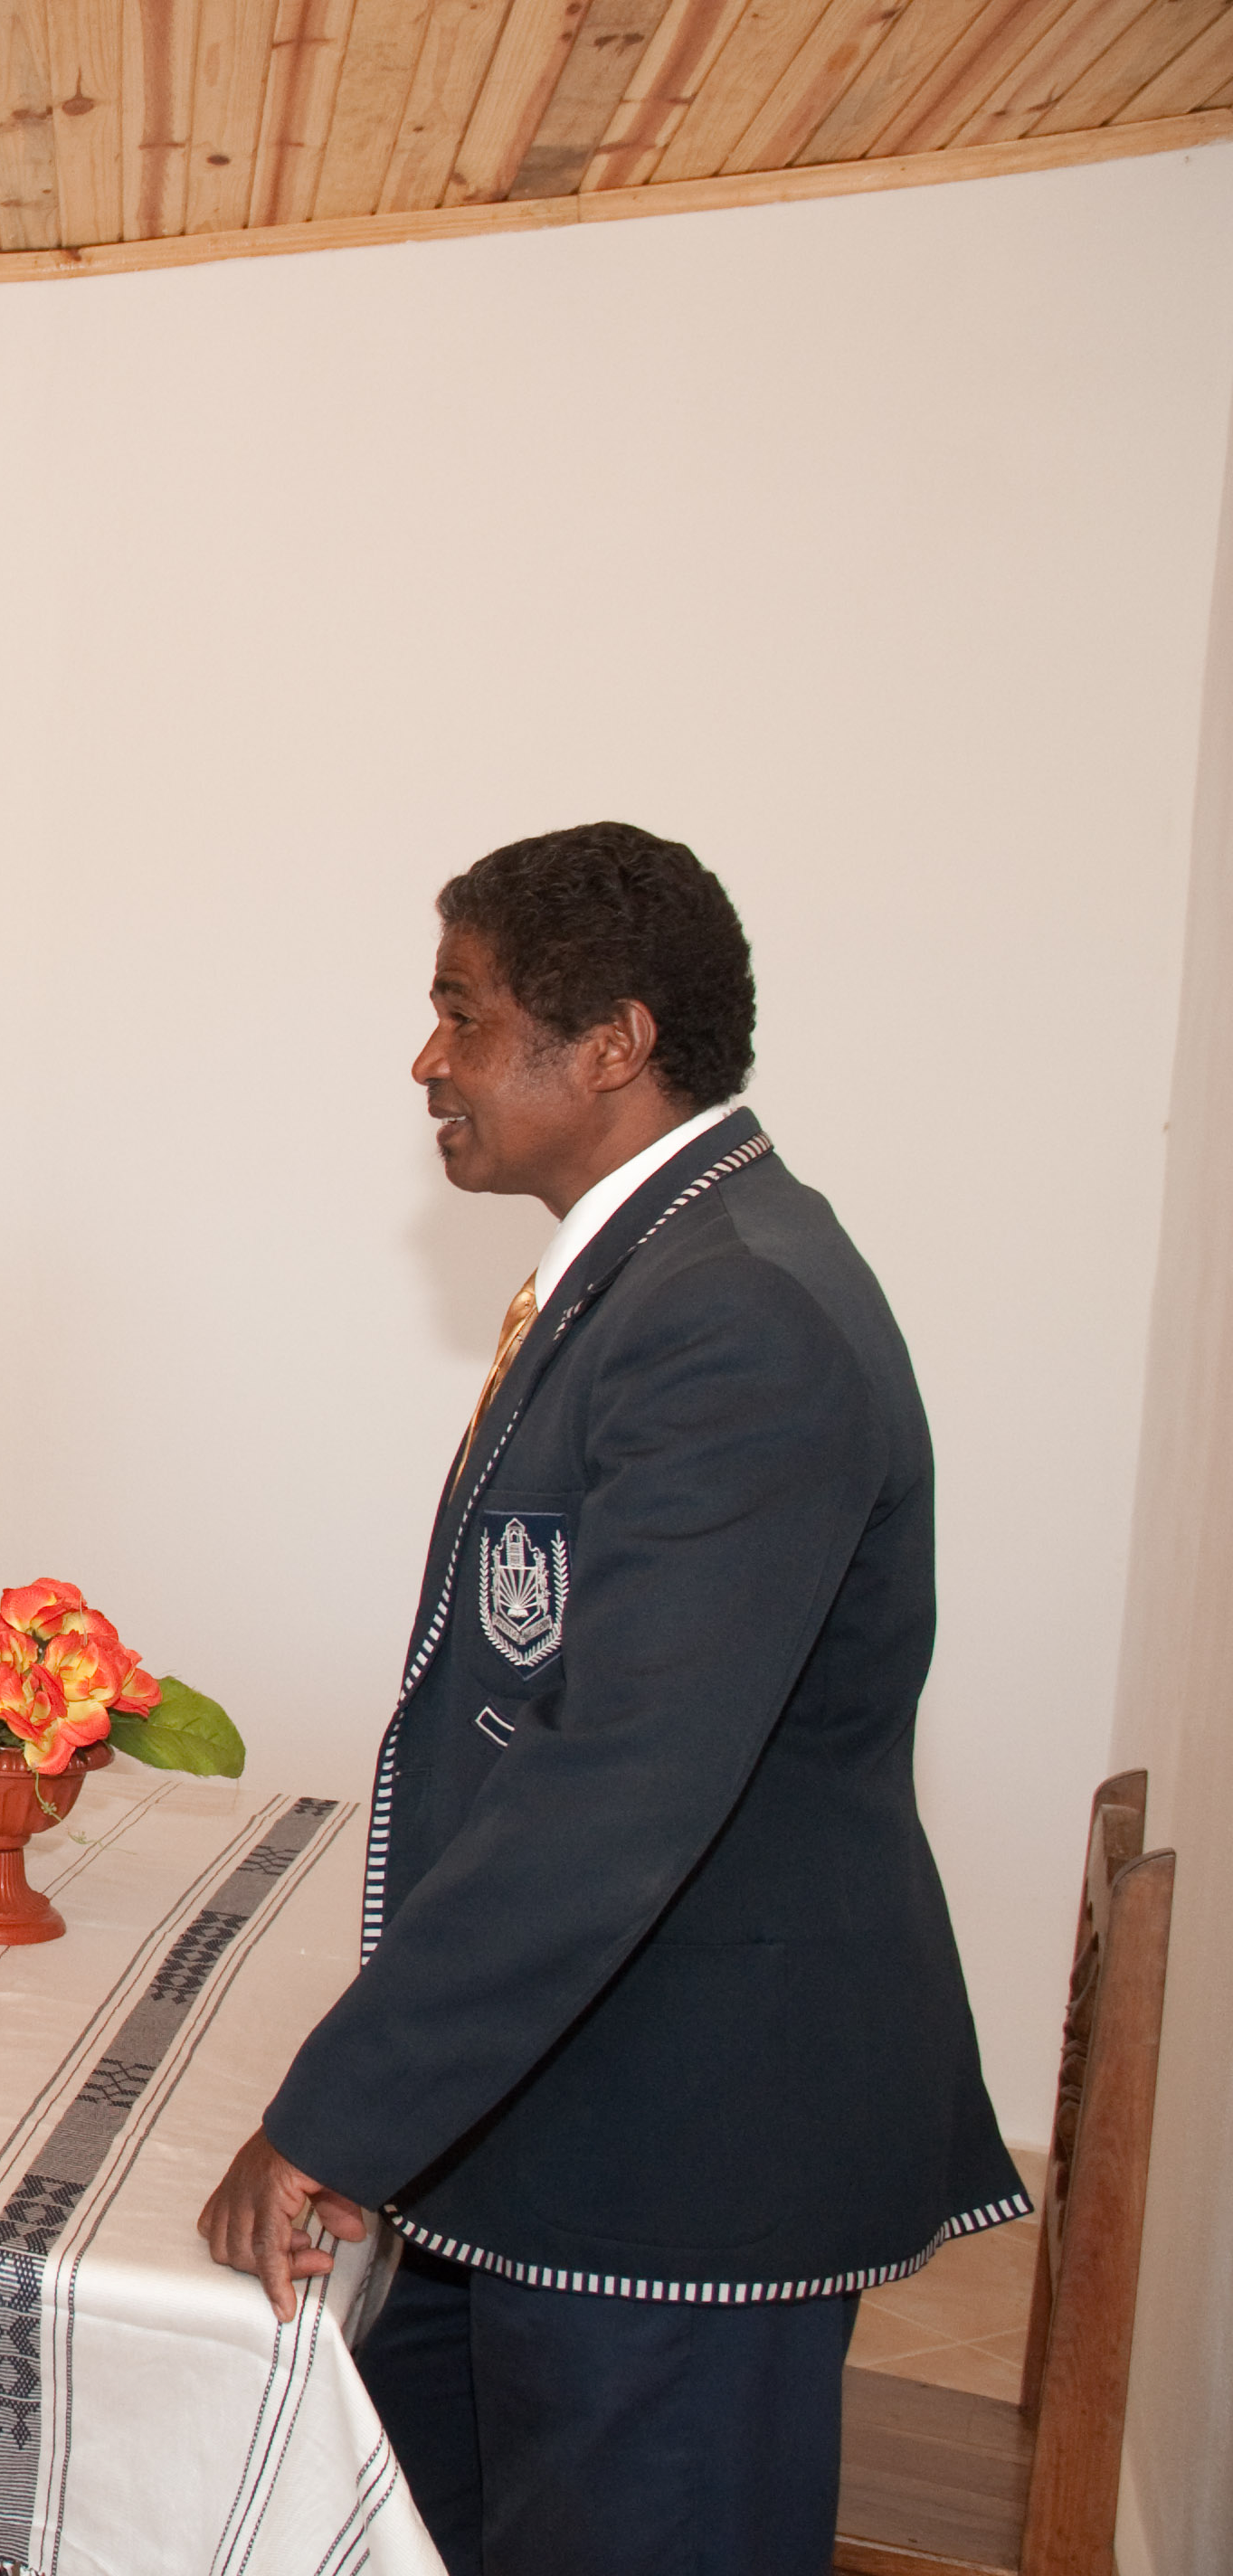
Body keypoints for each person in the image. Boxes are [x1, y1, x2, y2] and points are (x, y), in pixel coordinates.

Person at [194, 824, 1022, 2575]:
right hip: (555, 2116)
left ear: (611, 1043)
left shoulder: (733, 1314)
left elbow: (614, 1786)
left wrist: (332, 2116)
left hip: (679, 2152)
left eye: (461, 1011)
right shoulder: (657, 1269)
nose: (424, 1058)